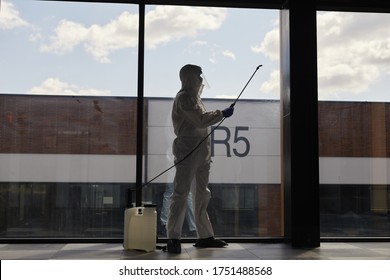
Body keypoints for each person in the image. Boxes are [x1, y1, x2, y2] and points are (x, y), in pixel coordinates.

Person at [166, 64, 234, 253]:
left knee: (202, 193)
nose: (201, 80)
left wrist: (219, 115)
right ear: (189, 77)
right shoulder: (184, 98)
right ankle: (173, 238)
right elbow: (200, 120)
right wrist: (221, 113)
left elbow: (201, 120)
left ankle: (205, 236)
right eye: (198, 76)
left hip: (201, 150)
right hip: (187, 149)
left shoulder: (194, 98)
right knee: (181, 193)